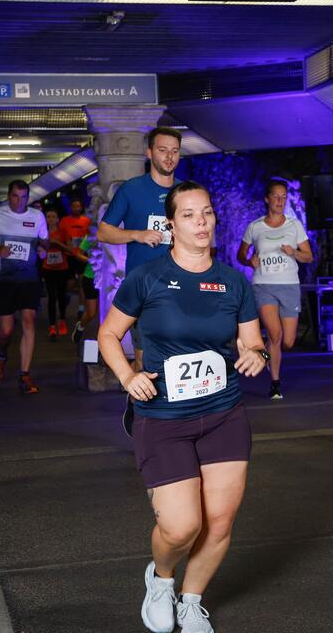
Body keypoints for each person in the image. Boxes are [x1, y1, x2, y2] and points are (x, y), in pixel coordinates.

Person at [99, 181, 267, 633]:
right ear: (170, 224)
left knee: (218, 522)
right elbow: (108, 335)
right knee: (180, 527)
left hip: (224, 414)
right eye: (189, 215)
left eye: (207, 213)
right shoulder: (147, 278)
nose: (201, 223)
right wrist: (128, 377)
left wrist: (257, 354)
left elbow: (253, 341)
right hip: (164, 417)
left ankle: (192, 600)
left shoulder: (233, 281)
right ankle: (162, 579)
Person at [98, 126, 182, 374]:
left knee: (180, 356)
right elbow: (104, 232)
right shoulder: (132, 189)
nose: (169, 157)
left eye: (175, 151)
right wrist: (137, 234)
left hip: (183, 284)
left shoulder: (185, 192)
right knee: (146, 361)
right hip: (145, 286)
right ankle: (138, 409)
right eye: (163, 150)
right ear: (149, 152)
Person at [237, 179, 313, 399]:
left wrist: (293, 253)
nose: (280, 201)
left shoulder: (294, 225)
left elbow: (308, 256)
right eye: (276, 196)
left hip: (289, 285)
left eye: (283, 197)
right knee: (275, 333)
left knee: (288, 341)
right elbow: (241, 255)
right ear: (267, 199)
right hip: (264, 285)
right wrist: (248, 261)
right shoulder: (255, 226)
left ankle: (271, 353)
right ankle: (275, 383)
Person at [0, 180, 49, 394]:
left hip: (29, 278)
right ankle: (1, 355)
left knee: (29, 321)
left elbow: (44, 241)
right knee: (6, 331)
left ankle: (24, 375)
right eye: (15, 196)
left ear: (28, 197)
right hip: (4, 279)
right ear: (9, 195)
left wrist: (43, 250)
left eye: (24, 197)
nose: (19, 201)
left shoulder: (36, 217)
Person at [43, 207, 73, 338]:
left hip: (62, 268)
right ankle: (52, 326)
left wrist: (57, 244)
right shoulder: (42, 232)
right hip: (48, 268)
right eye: (48, 216)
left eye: (53, 216)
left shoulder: (63, 232)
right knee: (51, 297)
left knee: (61, 295)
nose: (50, 219)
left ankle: (62, 320)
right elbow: (38, 247)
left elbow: (71, 250)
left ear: (57, 219)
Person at [59, 198, 91, 317]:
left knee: (83, 282)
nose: (76, 208)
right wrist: (65, 243)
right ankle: (68, 293)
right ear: (70, 207)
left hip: (82, 255)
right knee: (71, 282)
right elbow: (60, 236)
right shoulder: (64, 220)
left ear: (81, 207)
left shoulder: (86, 221)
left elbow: (91, 237)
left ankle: (81, 308)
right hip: (69, 255)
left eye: (78, 206)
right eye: (74, 206)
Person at [71, 234, 97, 343]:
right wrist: (90, 260)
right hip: (90, 277)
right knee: (91, 313)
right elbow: (78, 254)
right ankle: (80, 326)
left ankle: (104, 342)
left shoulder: (116, 235)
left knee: (107, 314)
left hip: (109, 280)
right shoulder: (91, 236)